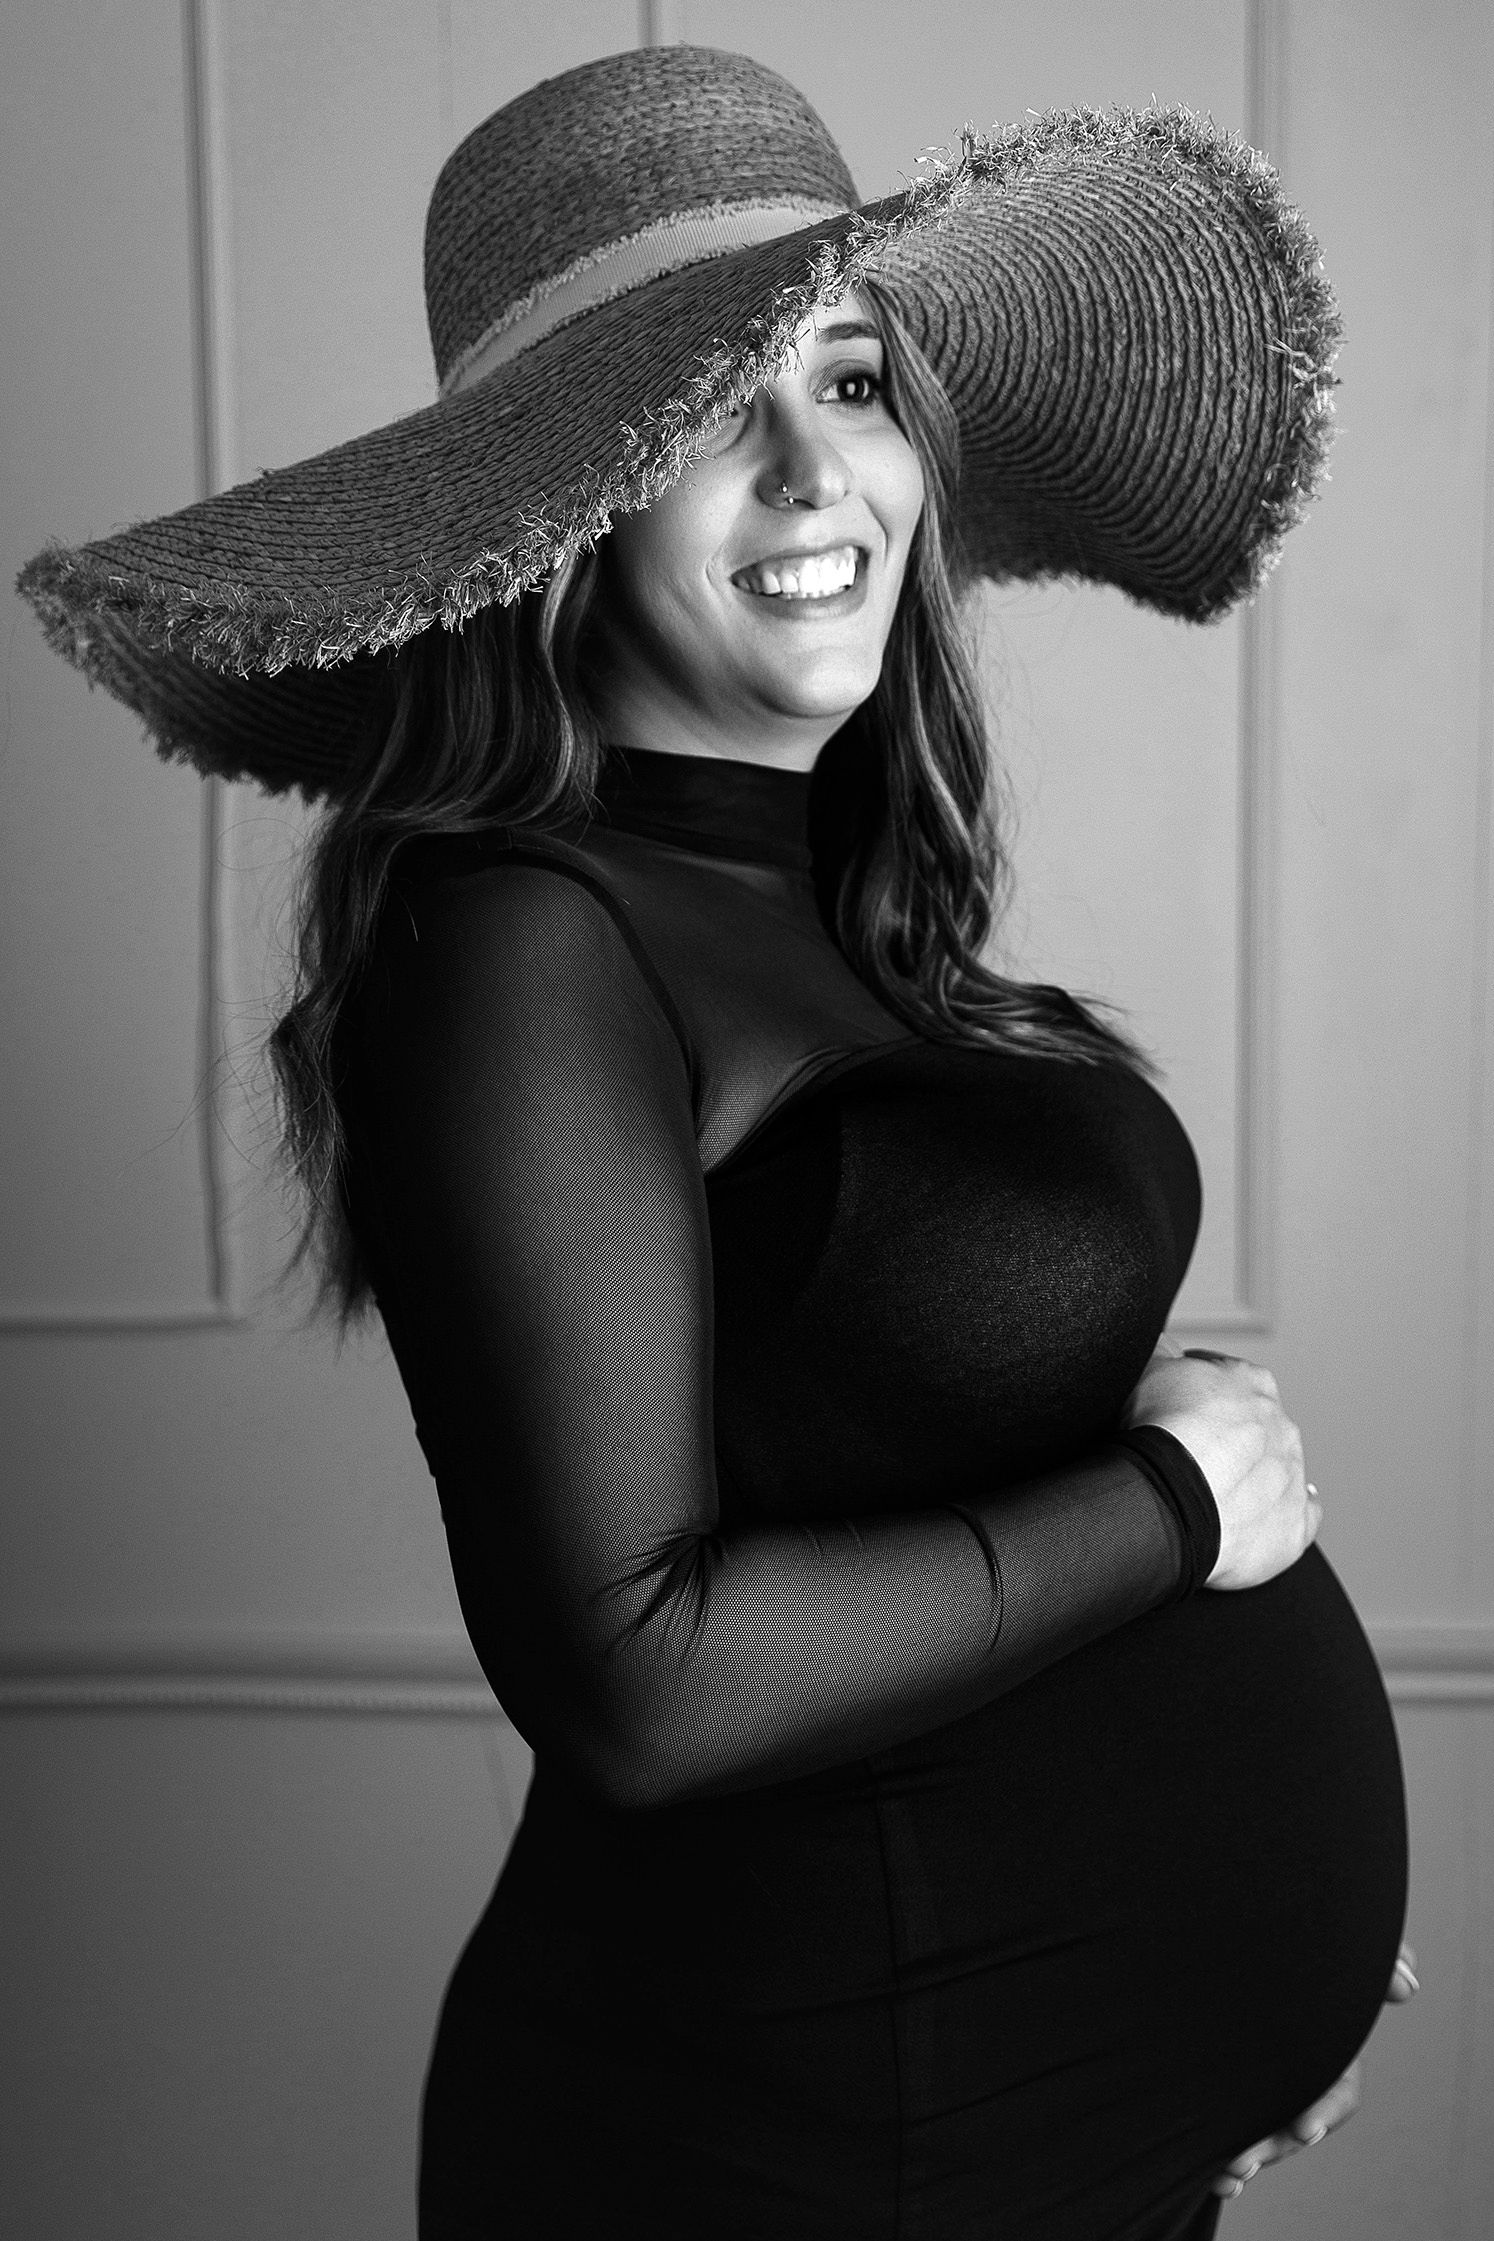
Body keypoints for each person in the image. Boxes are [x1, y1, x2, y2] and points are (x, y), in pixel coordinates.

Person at [20, 43, 1412, 2241]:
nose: (811, 471)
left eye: (852, 382)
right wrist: (1171, 1503)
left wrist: (1236, 1968)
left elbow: (886, 1446)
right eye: (703, 414)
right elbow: (642, 1676)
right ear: (559, 509)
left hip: (1021, 2123)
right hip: (792, 2141)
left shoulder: (845, 920)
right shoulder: (513, 942)